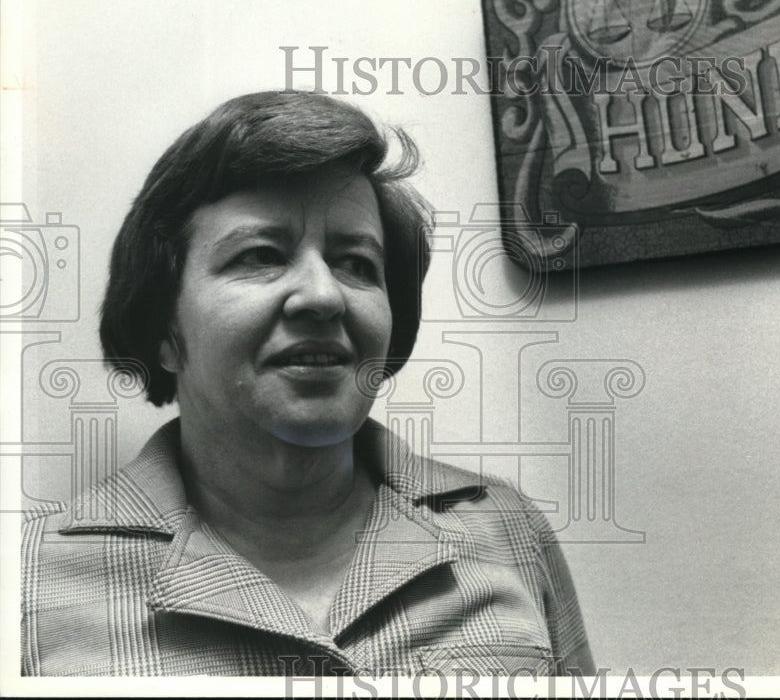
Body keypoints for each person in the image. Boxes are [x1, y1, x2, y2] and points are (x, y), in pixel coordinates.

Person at [21, 91, 594, 677]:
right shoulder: (26, 576)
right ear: (162, 327)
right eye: (261, 255)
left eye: (357, 263)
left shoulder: (505, 525)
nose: (324, 295)